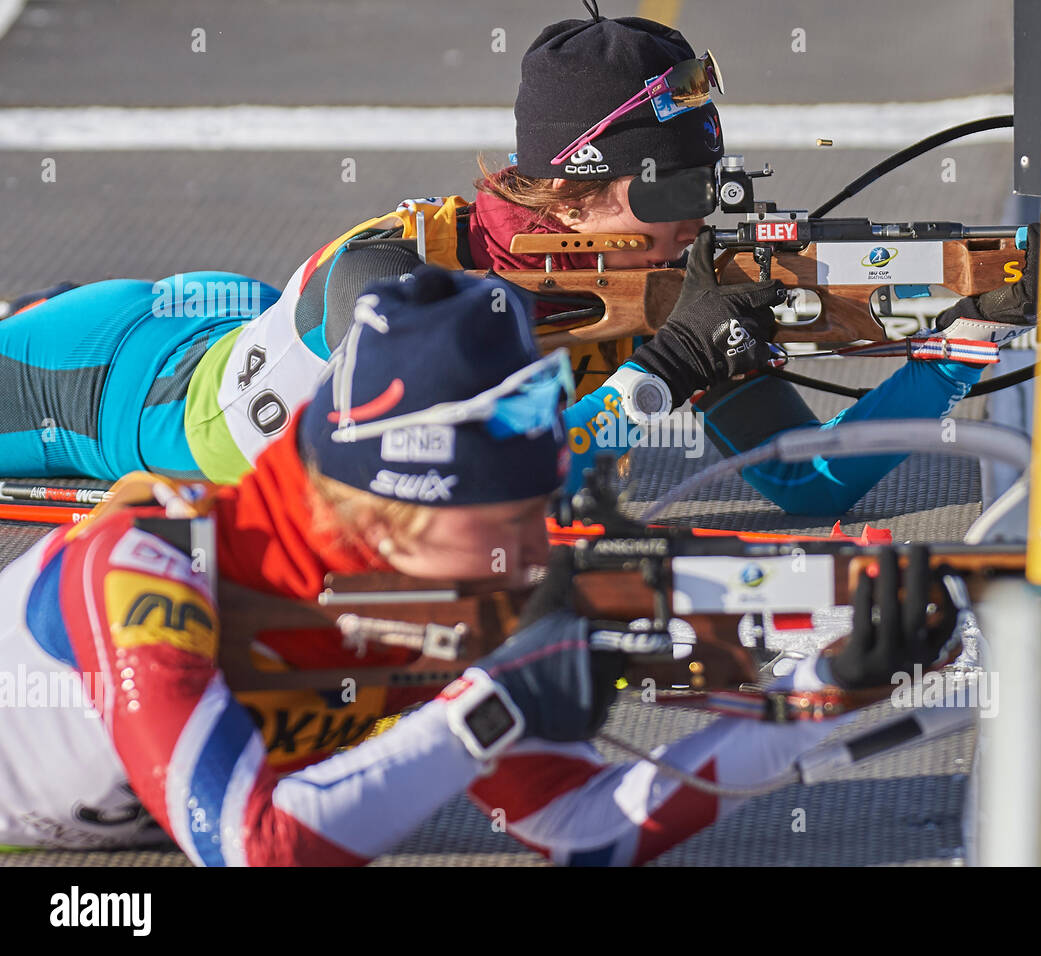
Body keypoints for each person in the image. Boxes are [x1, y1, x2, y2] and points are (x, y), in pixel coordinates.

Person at [0, 267, 941, 865]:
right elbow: (257, 849)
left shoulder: (447, 595)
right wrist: (496, 702)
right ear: (392, 511)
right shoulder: (147, 570)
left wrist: (823, 693)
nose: (541, 552)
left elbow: (586, 833)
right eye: (510, 520)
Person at [0, 5, 1037, 517]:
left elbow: (807, 488)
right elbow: (443, 487)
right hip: (96, 384)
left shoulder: (667, 286)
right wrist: (664, 370)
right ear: (578, 189)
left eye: (707, 185)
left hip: (226, 325)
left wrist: (957, 345)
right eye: (672, 189)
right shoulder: (397, 277)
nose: (699, 216)